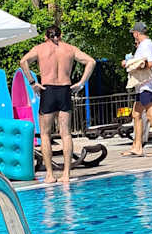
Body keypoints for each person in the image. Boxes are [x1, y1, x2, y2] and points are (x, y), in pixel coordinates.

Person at [19, 26, 97, 185]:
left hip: (48, 90)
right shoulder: (70, 49)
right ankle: (66, 174)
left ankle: (50, 175)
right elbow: (91, 61)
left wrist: (32, 83)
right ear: (61, 35)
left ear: (45, 36)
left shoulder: (40, 48)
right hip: (64, 90)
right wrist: (81, 83)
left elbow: (23, 61)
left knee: (45, 134)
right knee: (66, 134)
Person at [122, 21, 152, 157]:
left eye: (133, 34)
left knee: (151, 115)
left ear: (136, 33)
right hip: (142, 86)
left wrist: (131, 64)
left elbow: (150, 63)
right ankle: (137, 146)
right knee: (136, 114)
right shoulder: (143, 45)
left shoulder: (146, 45)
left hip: (148, 85)